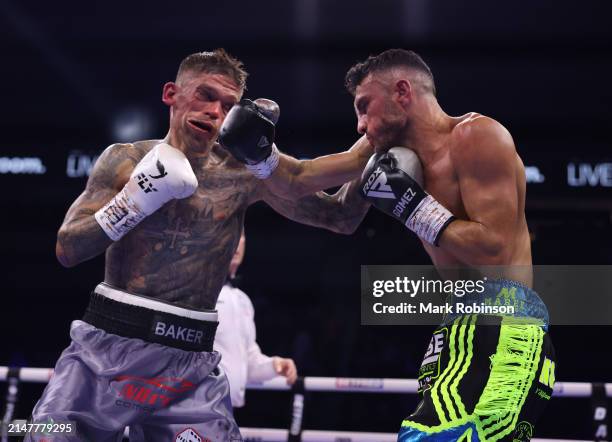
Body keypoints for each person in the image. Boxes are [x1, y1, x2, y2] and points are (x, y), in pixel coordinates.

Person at [30, 49, 373, 442]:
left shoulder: (245, 172)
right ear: (171, 94)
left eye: (228, 105)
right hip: (104, 349)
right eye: (205, 95)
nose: (215, 111)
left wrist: (377, 158)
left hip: (190, 365)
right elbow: (67, 249)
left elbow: (339, 217)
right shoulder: (124, 160)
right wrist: (133, 202)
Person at [220, 49, 555, 441]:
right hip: (455, 326)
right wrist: (261, 156)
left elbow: (494, 248)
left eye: (365, 106)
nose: (360, 124)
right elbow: (301, 180)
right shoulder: (381, 153)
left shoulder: (476, 137)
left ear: (402, 92)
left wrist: (412, 206)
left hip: (505, 322)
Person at [215, 231, 297, 409]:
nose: (236, 240)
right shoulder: (200, 295)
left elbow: (248, 363)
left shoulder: (242, 300)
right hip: (198, 408)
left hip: (227, 411)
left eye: (241, 234)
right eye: (231, 230)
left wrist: (274, 365)